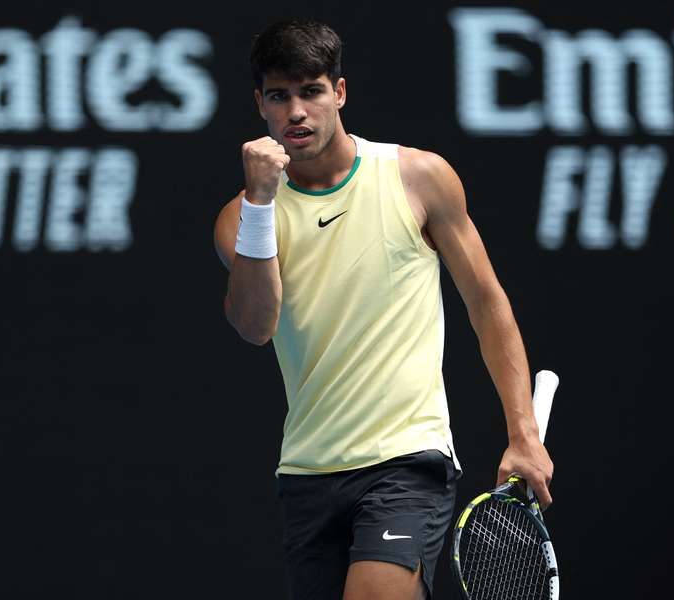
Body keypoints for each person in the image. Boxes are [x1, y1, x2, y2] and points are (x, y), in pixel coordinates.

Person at [213, 18, 554, 600]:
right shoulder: (242, 219)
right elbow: (254, 325)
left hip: (407, 460)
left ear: (339, 93)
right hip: (306, 472)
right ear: (261, 107)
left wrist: (523, 432)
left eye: (311, 91)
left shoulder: (417, 178)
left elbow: (487, 303)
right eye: (280, 96)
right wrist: (262, 205)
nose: (296, 111)